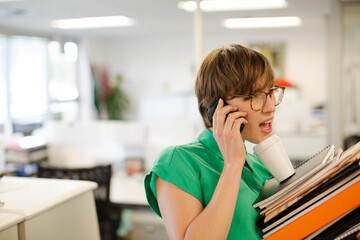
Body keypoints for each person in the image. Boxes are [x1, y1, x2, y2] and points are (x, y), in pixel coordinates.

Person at [144, 43, 285, 239]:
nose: (270, 107)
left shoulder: (260, 165)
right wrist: (232, 165)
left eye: (270, 92)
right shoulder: (178, 162)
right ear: (216, 106)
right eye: (256, 96)